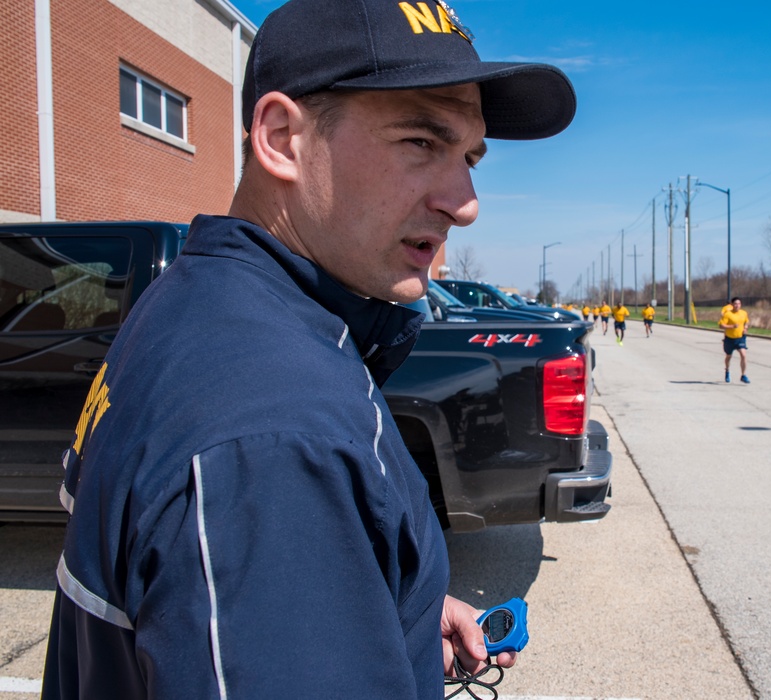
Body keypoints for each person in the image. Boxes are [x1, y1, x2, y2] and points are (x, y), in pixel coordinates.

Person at [41, 1, 576, 698]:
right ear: (281, 138)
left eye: (469, 156)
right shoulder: (278, 438)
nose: (464, 201)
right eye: (421, 141)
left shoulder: (194, 298)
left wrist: (385, 613)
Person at [719, 296, 751, 383]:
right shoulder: (728, 314)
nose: (737, 305)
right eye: (735, 304)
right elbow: (721, 325)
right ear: (732, 304)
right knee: (728, 356)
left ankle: (743, 375)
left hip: (740, 338)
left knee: (743, 355)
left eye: (739, 304)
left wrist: (746, 327)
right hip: (729, 339)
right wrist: (732, 326)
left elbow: (746, 321)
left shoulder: (744, 313)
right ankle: (727, 371)